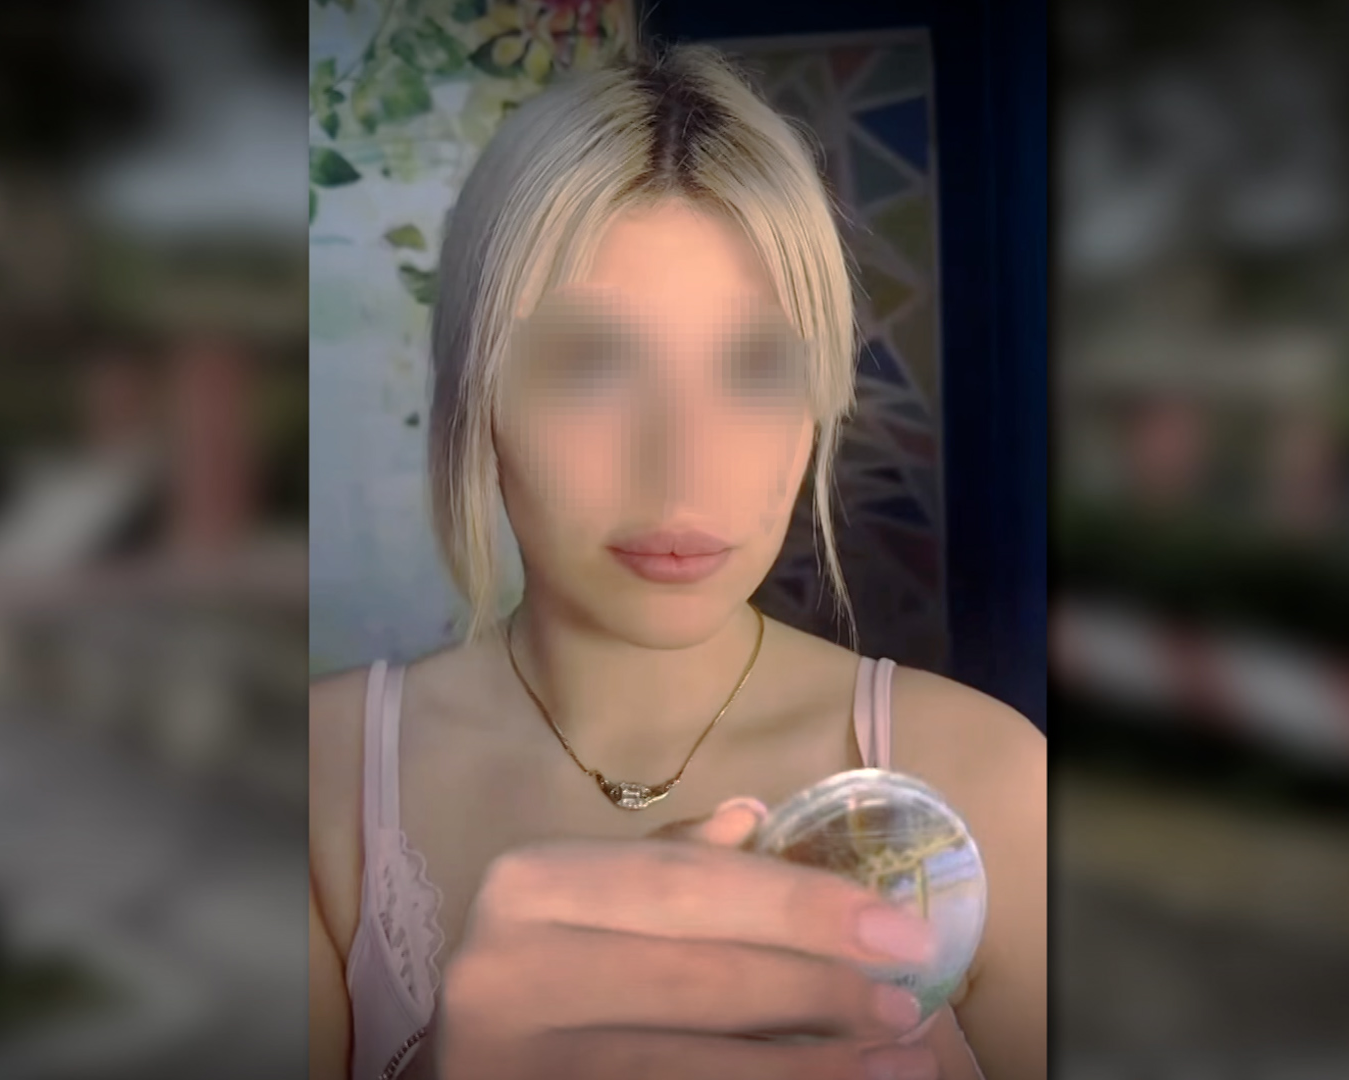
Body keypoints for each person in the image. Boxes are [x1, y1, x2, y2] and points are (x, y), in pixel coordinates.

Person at [309, 40, 1046, 1080]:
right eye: (591, 364)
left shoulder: (991, 779)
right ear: (480, 398)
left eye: (755, 366)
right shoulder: (322, 777)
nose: (683, 462)